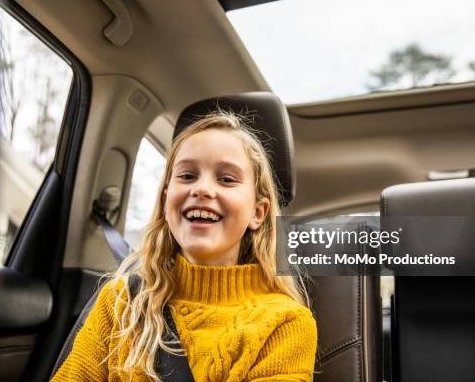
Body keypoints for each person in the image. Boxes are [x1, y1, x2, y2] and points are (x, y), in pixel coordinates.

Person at [51, 111, 318, 381]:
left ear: (257, 213)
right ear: (167, 201)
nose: (202, 189)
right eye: (188, 175)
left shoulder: (286, 323)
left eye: (226, 179)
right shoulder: (122, 301)